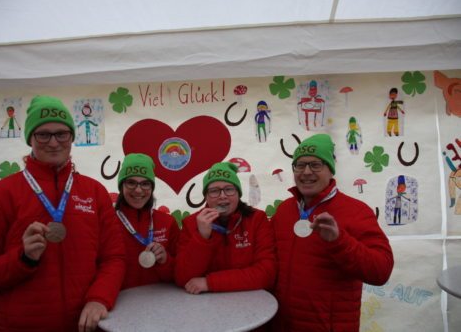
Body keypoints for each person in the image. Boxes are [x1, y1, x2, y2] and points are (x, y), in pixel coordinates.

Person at [0, 95, 126, 332]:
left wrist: (99, 298)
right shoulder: (1, 194)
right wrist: (23, 258)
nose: (53, 142)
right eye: (43, 134)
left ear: (71, 137)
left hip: (83, 326)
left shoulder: (94, 192)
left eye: (61, 133)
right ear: (30, 138)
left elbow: (114, 257)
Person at [270, 133, 394, 332]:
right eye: (299, 165)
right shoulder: (284, 210)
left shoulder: (357, 211)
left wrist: (339, 241)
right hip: (281, 324)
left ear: (330, 170)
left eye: (316, 165)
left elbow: (381, 271)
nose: (306, 172)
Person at [175, 162, 277, 295]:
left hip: (249, 302)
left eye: (229, 189)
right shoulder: (190, 223)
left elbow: (266, 273)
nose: (222, 196)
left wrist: (210, 283)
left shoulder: (257, 219)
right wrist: (201, 238)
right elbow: (182, 278)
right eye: (214, 191)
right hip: (204, 306)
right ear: (206, 197)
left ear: (238, 194)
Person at [115, 153, 179, 289]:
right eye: (131, 182)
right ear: (121, 186)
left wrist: (165, 260)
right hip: (120, 302)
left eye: (145, 184)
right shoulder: (107, 221)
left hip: (159, 302)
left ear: (152, 187)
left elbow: (179, 274)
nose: (138, 190)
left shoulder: (167, 222)